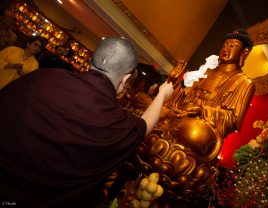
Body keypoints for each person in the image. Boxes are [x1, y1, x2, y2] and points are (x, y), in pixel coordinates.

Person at [0, 36, 173, 207]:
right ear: (126, 79)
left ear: (92, 60)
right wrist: (162, 94)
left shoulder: (41, 76)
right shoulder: (115, 122)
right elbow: (144, 126)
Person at [131, 29, 255, 200]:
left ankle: (160, 131)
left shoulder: (244, 83)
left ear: (244, 53)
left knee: (195, 131)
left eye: (232, 45)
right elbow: (180, 98)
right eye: (225, 44)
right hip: (179, 115)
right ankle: (162, 127)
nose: (226, 48)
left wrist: (202, 110)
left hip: (198, 128)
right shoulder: (207, 71)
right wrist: (174, 81)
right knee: (141, 99)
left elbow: (232, 120)